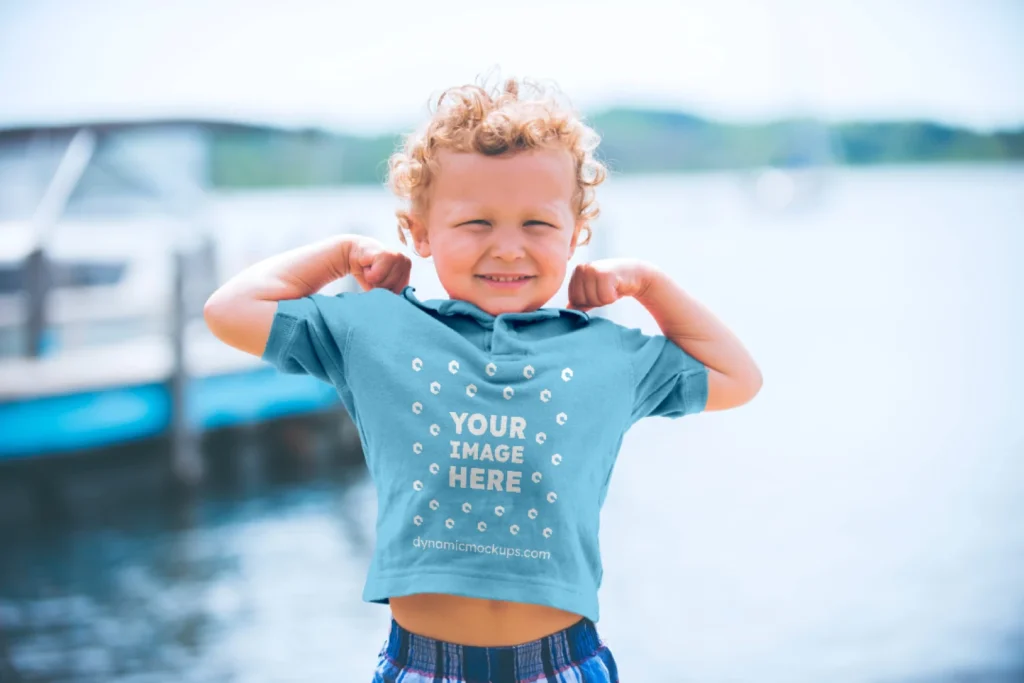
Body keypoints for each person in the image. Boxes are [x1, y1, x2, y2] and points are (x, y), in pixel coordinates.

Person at [204, 75, 762, 683]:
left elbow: (738, 377)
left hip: (561, 662)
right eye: (475, 223)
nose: (507, 248)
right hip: (422, 665)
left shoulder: (607, 352)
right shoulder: (375, 331)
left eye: (537, 225)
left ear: (576, 235)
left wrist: (649, 286)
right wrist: (339, 255)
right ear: (418, 233)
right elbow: (228, 311)